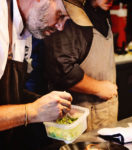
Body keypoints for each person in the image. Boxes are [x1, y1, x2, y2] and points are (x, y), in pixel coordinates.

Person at [0, 0, 92, 149]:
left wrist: (44, 103)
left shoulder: (25, 31)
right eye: (60, 15)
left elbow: (9, 93)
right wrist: (31, 111)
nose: (61, 27)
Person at [28, 0, 118, 131]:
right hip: (79, 118)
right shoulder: (70, 17)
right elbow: (61, 71)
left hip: (105, 112)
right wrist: (98, 88)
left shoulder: (102, 15)